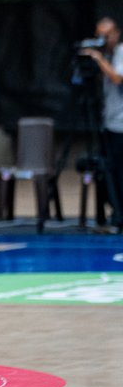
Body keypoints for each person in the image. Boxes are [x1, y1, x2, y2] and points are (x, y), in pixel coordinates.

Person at [81, 16, 123, 230]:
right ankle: (114, 211)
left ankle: (120, 213)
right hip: (109, 122)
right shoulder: (107, 55)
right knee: (110, 170)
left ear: (116, 33)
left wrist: (98, 59)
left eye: (106, 36)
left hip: (121, 123)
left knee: (119, 170)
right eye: (99, 36)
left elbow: (118, 78)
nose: (103, 40)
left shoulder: (121, 52)